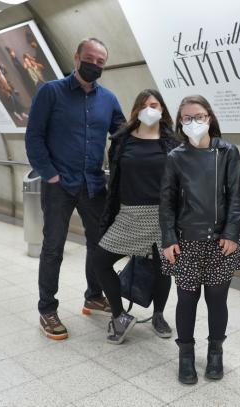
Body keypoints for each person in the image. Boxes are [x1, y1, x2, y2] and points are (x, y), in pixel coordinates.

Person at [25, 37, 126, 340]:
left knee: (99, 245)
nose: (94, 64)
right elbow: (34, 137)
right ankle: (47, 309)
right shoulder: (51, 92)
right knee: (53, 247)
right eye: (90, 58)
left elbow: (122, 134)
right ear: (77, 56)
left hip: (93, 184)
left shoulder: (108, 99)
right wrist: (50, 174)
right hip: (59, 185)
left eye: (100, 61)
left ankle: (93, 295)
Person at [159, 95, 240, 384]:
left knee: (217, 300)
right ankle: (185, 355)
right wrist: (169, 238)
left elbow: (236, 196)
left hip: (222, 242)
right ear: (180, 122)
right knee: (186, 300)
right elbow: (167, 202)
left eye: (199, 116)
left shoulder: (227, 152)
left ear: (209, 117)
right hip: (185, 242)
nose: (193, 122)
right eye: (187, 118)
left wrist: (232, 233)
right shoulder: (175, 157)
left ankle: (215, 353)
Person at [94, 89, 178, 344]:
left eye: (154, 104)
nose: (149, 109)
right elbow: (115, 178)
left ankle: (159, 315)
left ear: (162, 109)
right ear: (136, 111)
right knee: (100, 260)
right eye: (143, 105)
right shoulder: (121, 140)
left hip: (162, 214)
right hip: (128, 214)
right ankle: (119, 316)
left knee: (163, 266)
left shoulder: (172, 142)